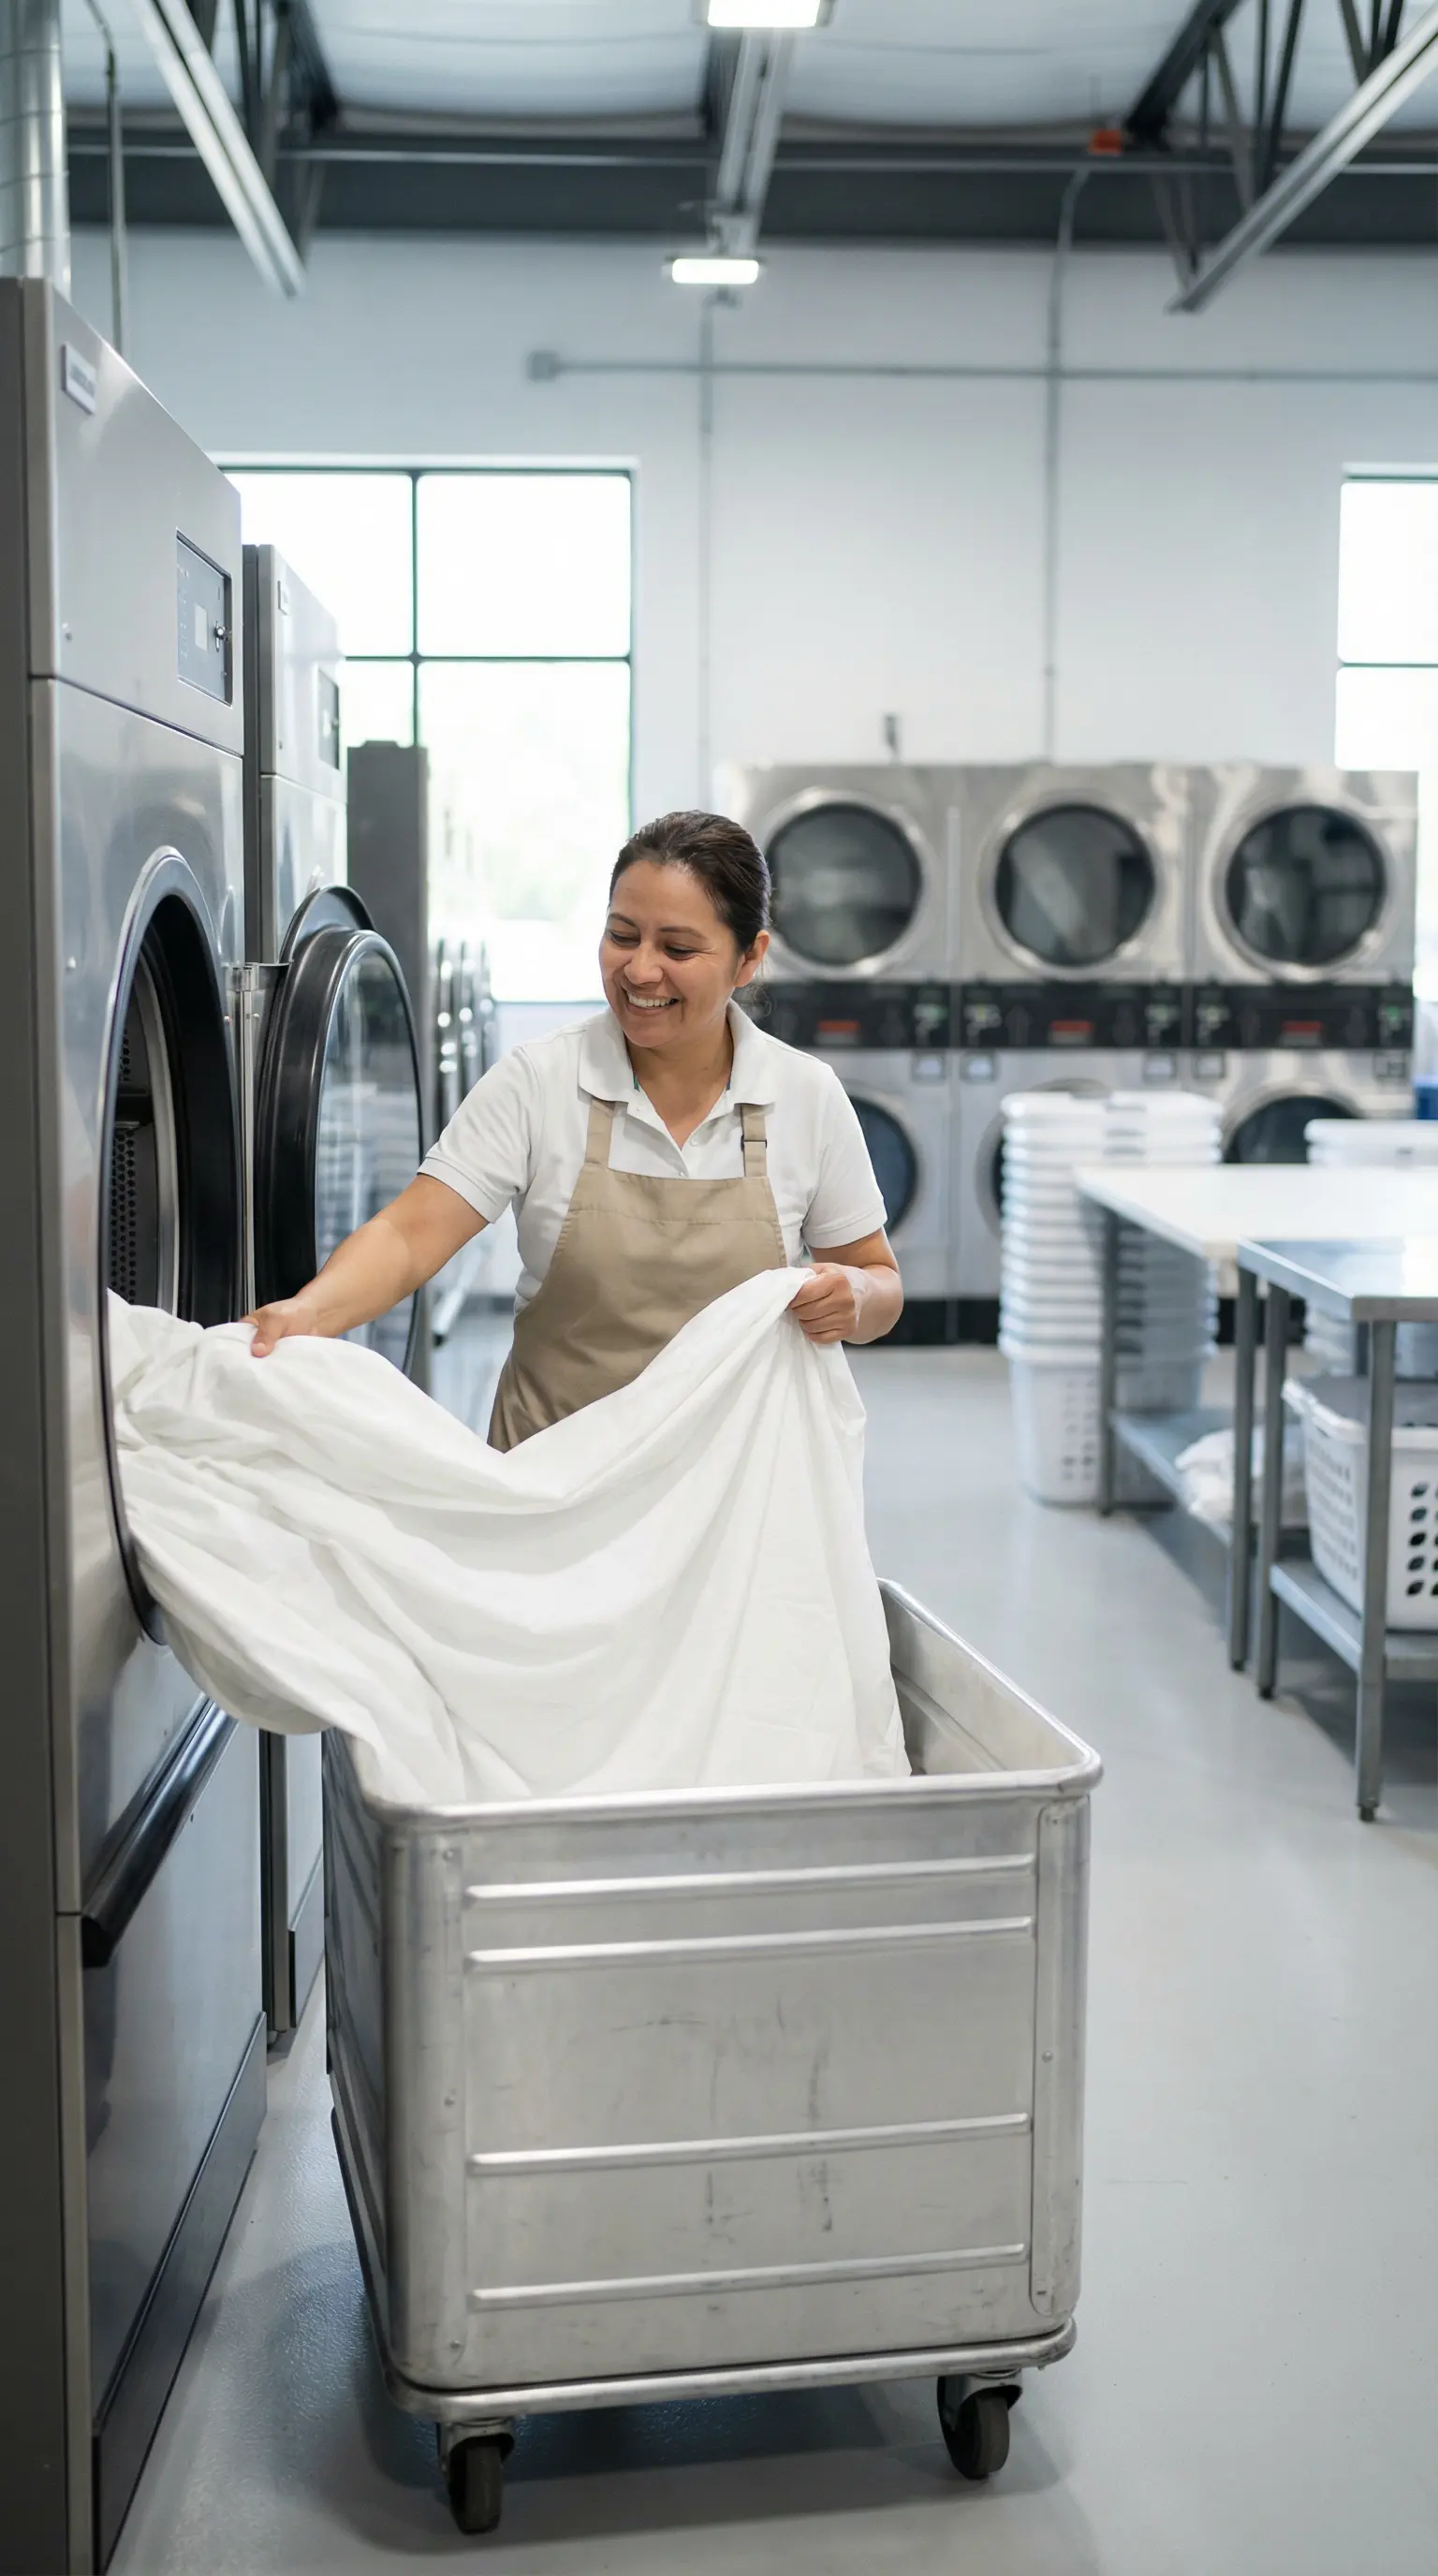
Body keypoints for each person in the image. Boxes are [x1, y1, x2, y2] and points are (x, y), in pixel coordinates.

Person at [248, 809, 903, 1445]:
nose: (641, 970)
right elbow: (409, 1234)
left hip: (738, 1486)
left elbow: (880, 1280)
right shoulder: (541, 1081)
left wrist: (855, 1295)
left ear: (748, 958)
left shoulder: (802, 1095)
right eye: (623, 935)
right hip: (555, 1485)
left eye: (677, 948)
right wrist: (311, 1312)